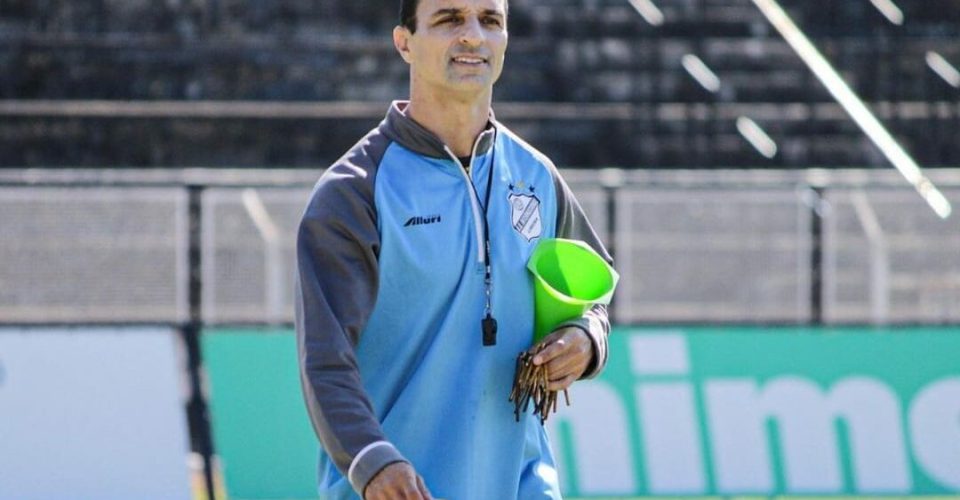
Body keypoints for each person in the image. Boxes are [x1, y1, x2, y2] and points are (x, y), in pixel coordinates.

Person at [294, 0, 613, 498]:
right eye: (449, 19)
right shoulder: (354, 192)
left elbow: (595, 290)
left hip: (523, 486)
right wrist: (372, 463)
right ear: (404, 42)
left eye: (490, 20)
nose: (472, 36)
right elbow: (326, 362)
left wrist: (586, 337)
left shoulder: (537, 176)